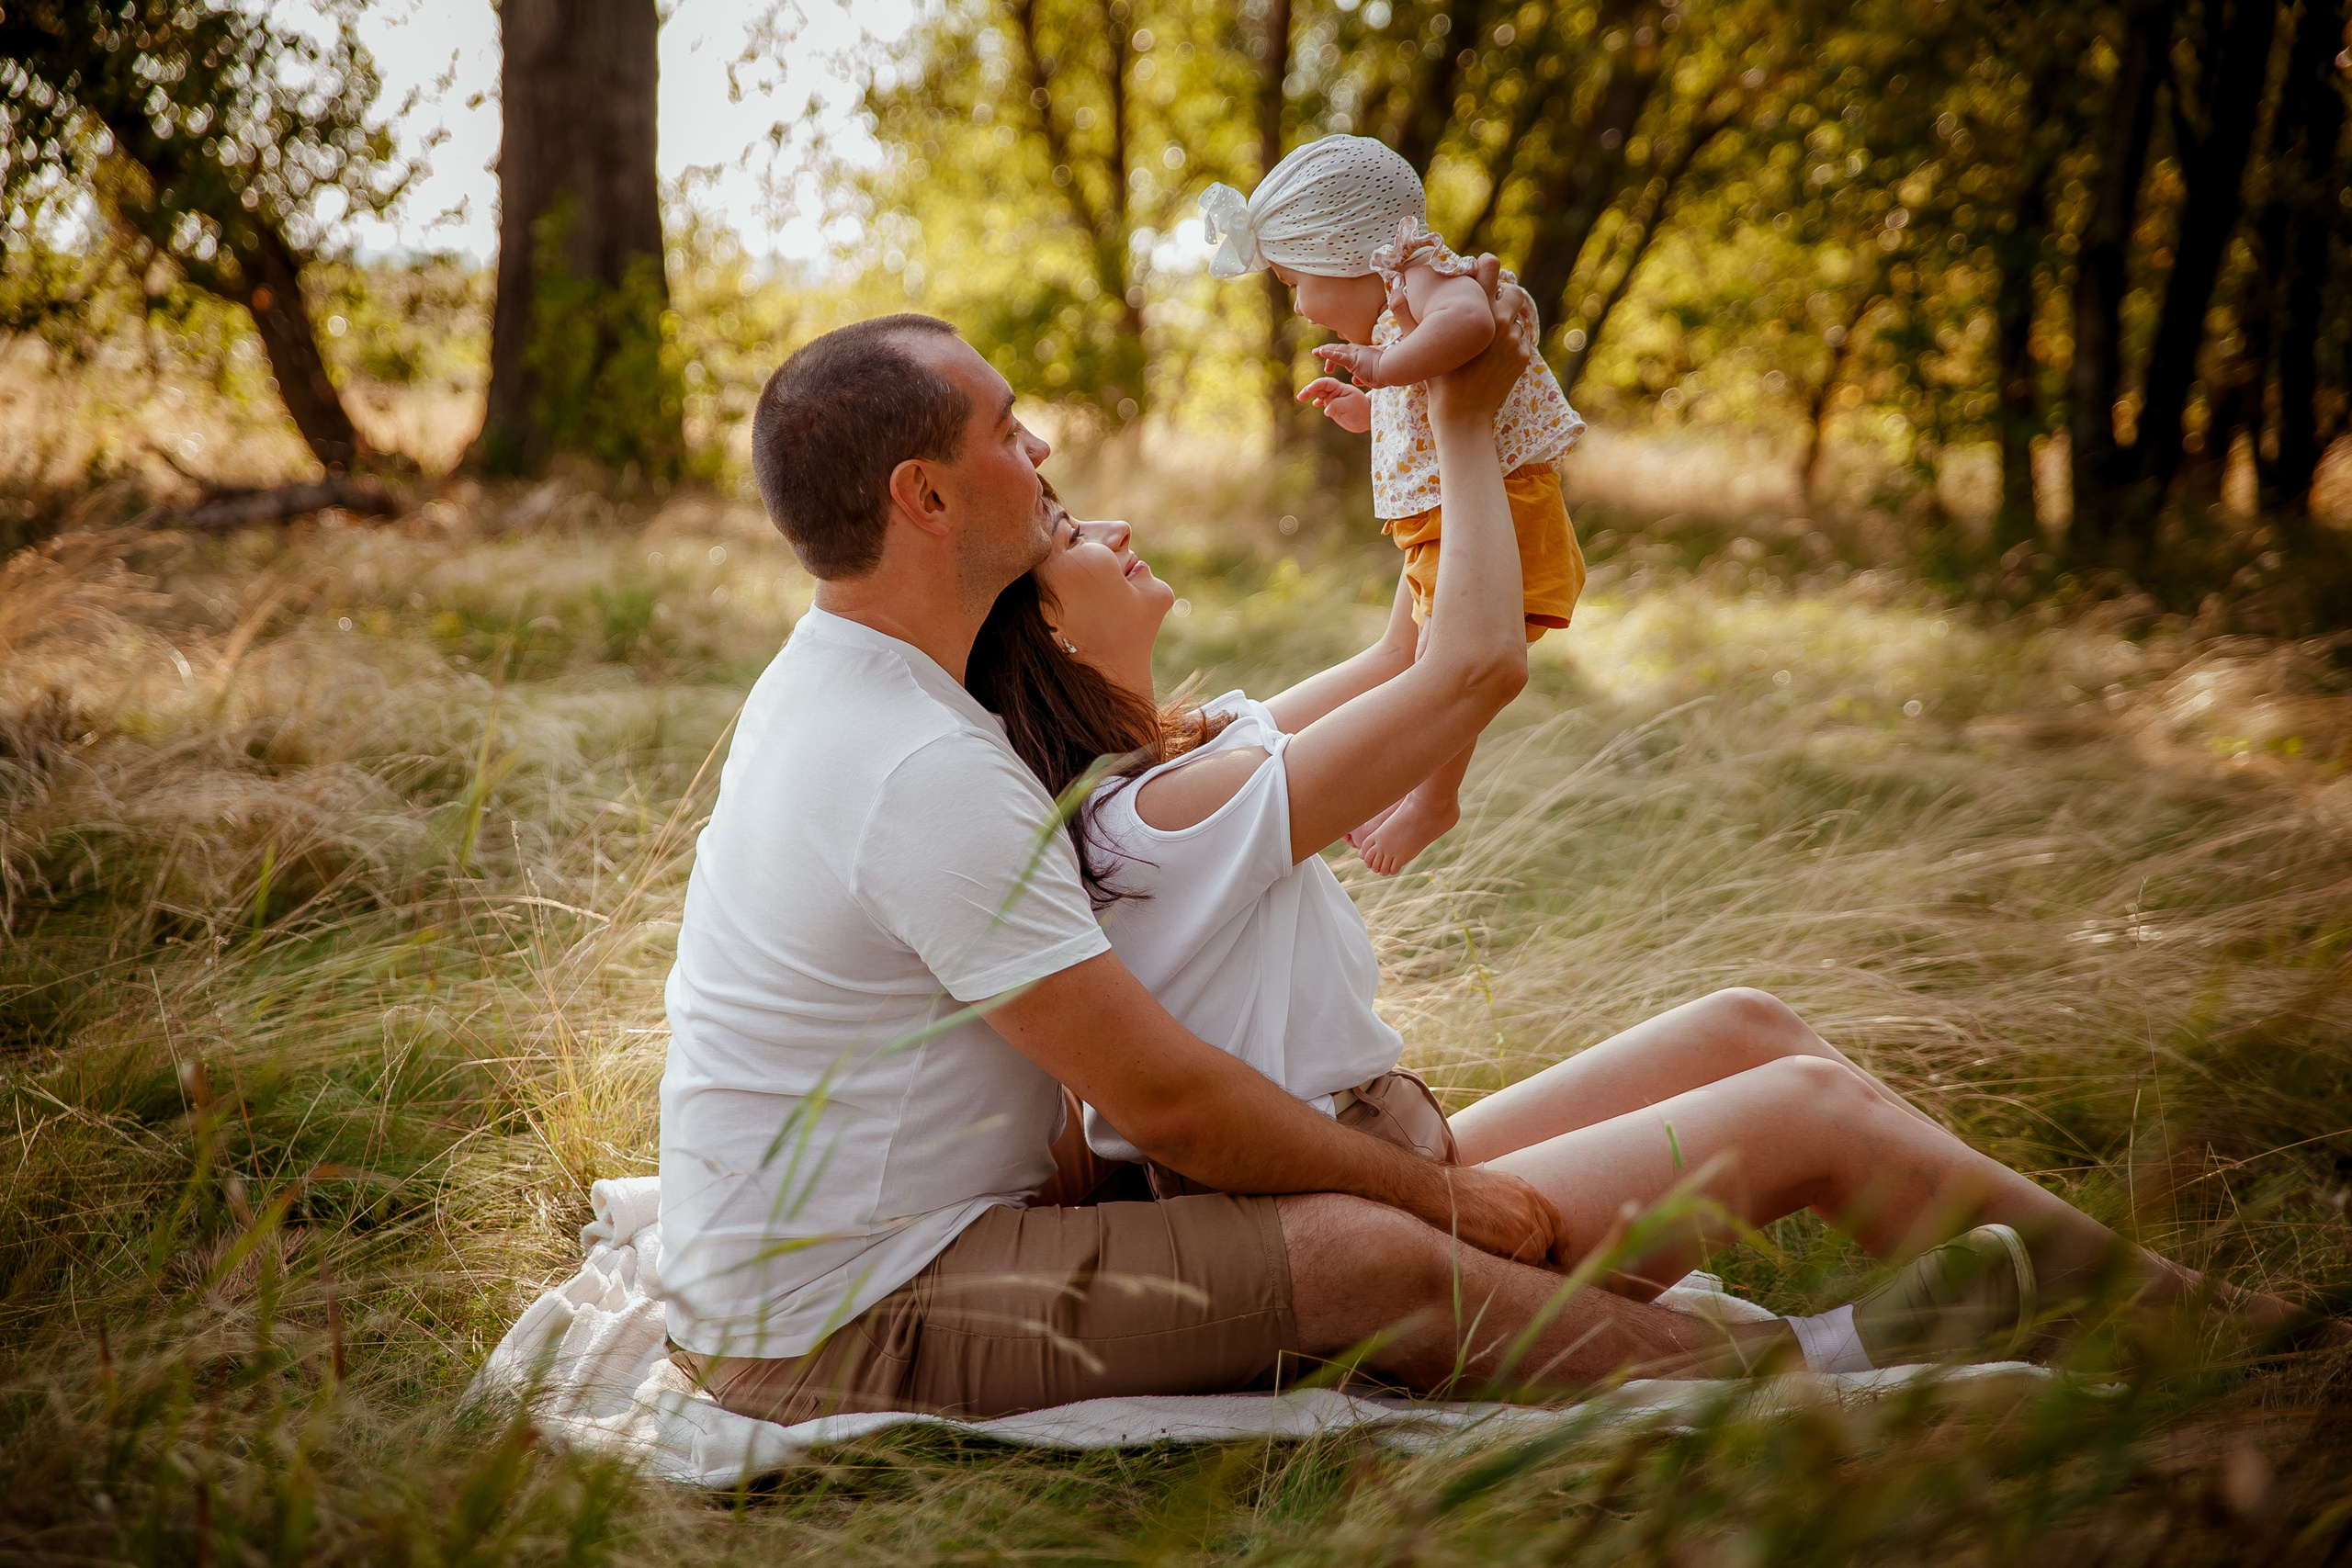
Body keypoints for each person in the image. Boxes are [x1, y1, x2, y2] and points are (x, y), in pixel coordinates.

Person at [657, 288, 1832, 1431]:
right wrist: (1439, 1197)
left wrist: (1428, 426)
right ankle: (1800, 1387)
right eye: (1008, 431)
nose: (1044, 446)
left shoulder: (870, 688)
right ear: (925, 496)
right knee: (1364, 1251)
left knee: (1356, 1202)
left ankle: (1789, 1336)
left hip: (901, 1237)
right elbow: (1166, 1103)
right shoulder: (916, 763)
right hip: (830, 1313)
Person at [1199, 134, 1587, 875]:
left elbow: (1470, 331)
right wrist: (1373, 406)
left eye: (1292, 281)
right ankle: (1391, 782)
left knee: (1452, 662)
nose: (1301, 306)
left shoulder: (1424, 276)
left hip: (1493, 508)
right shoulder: (1404, 296)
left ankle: (1432, 800)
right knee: (1415, 658)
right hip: (1462, 512)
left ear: (1340, 251)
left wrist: (1381, 366)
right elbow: (1436, 390)